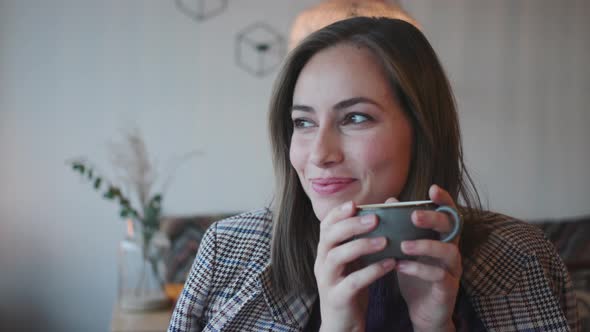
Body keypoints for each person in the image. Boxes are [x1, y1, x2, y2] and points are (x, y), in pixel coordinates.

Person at [169, 17, 579, 331]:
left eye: (356, 118)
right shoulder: (228, 252)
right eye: (304, 122)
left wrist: (436, 327)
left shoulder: (521, 258)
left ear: (421, 131)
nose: (320, 154)